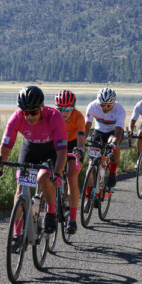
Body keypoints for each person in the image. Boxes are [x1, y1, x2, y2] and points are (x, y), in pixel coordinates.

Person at [0, 86, 67, 245]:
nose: (29, 116)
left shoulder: (54, 116)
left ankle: (51, 212)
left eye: (33, 112)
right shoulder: (16, 117)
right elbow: (6, 146)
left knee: (44, 178)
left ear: (41, 107)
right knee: (20, 189)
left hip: (50, 151)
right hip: (30, 149)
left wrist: (57, 173)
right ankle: (17, 233)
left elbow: (62, 151)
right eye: (25, 112)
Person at [84, 87, 127, 190]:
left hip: (113, 132)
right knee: (91, 163)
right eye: (103, 105)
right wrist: (81, 143)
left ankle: (112, 172)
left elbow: (118, 132)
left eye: (109, 105)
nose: (105, 108)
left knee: (113, 143)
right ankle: (89, 196)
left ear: (113, 103)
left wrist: (113, 145)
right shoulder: (92, 106)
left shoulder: (120, 110)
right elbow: (86, 127)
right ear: (98, 102)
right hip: (98, 132)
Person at [55, 89, 85, 234]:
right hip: (57, 144)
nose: (64, 112)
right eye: (60, 109)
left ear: (73, 107)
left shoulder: (78, 117)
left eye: (68, 109)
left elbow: (81, 139)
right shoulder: (53, 116)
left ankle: (72, 219)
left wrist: (79, 151)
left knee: (72, 176)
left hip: (73, 145)